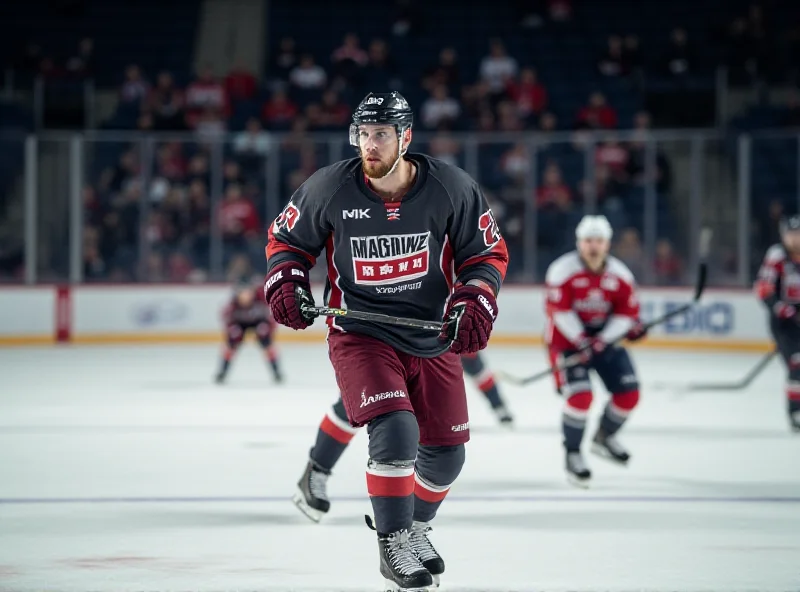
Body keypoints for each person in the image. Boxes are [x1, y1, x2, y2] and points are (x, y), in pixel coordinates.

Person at [264, 91, 508, 591]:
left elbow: (486, 253)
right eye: (362, 133)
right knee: (395, 428)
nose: (369, 145)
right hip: (361, 332)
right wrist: (286, 277)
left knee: (447, 454)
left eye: (380, 134)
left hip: (429, 334)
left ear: (405, 138)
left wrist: (477, 295)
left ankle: (413, 526)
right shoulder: (330, 187)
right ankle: (392, 543)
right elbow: (286, 241)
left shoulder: (450, 187)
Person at [291, 351, 514, 523]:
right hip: (380, 327)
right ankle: (316, 471)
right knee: (361, 402)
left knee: (443, 440)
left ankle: (413, 527)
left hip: (428, 330)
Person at [544, 215, 647, 488]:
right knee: (580, 398)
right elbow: (559, 311)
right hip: (567, 344)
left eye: (598, 241)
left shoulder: (621, 275)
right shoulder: (562, 271)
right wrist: (581, 339)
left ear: (607, 244)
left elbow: (627, 313)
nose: (593, 246)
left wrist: (613, 334)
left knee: (629, 394)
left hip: (604, 343)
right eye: (588, 240)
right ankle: (573, 454)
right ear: (579, 243)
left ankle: (604, 436)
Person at [754, 214, 800, 432]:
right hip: (784, 322)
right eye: (791, 234)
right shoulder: (777, 256)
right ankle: (795, 411)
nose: (795, 239)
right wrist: (784, 309)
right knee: (797, 362)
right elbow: (764, 288)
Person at [215, 279, 282, 384]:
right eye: (243, 293)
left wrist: (269, 327)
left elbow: (273, 315)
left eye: (248, 293)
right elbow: (226, 318)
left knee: (267, 344)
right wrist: (232, 328)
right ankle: (222, 372)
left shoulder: (261, 301)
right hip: (239, 324)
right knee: (231, 345)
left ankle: (277, 372)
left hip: (259, 322)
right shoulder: (232, 305)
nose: (246, 296)